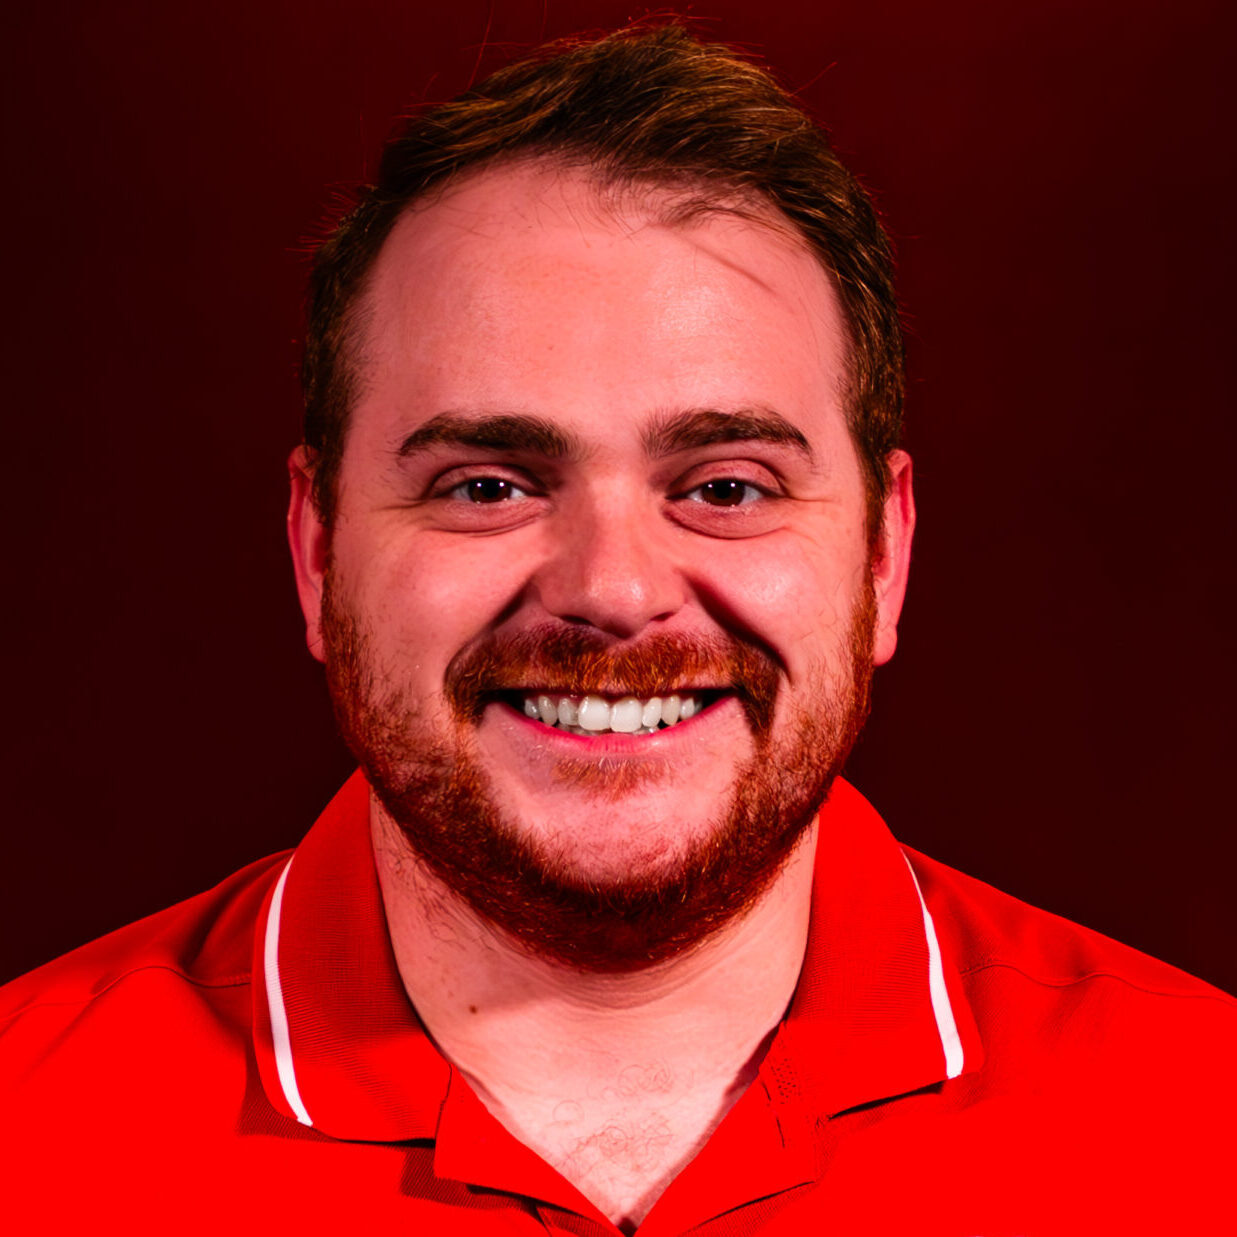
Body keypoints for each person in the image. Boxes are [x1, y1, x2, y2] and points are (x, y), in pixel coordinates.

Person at [2, 23, 1231, 1235]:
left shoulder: (1203, 1128)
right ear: (316, 549)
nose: (613, 588)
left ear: (884, 554)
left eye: (726, 486)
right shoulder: (25, 1134)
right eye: (488, 485)